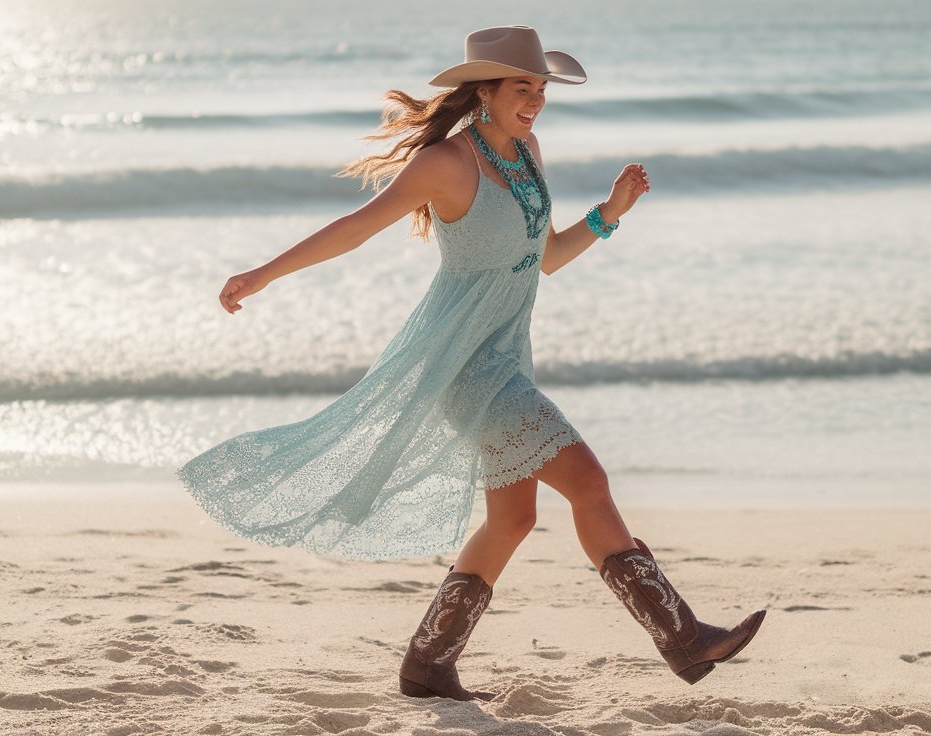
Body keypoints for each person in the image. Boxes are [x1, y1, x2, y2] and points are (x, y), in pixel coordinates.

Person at [176, 25, 765, 702]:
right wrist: (264, 273)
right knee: (590, 482)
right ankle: (682, 637)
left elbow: (545, 257)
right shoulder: (445, 165)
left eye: (541, 88)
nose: (536, 100)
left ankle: (427, 666)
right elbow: (356, 227)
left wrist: (609, 213)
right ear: (484, 90)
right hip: (466, 371)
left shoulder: (528, 152)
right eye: (523, 87)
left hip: (510, 361)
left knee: (513, 520)